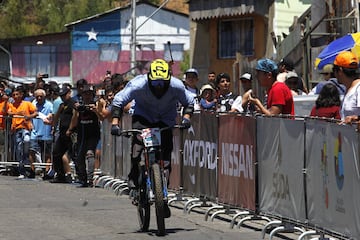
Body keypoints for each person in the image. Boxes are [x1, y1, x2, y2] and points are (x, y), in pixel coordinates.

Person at [110, 59, 194, 218]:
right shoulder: (138, 84)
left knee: (167, 157)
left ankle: (163, 194)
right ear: (149, 78)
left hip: (165, 120)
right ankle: (134, 181)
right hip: (144, 118)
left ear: (169, 79)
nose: (159, 87)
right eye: (155, 83)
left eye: (163, 83)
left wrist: (187, 118)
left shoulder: (176, 85)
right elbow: (119, 101)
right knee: (137, 149)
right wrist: (115, 123)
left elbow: (189, 101)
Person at [67, 84, 100, 187]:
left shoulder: (96, 104)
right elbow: (75, 117)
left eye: (89, 94)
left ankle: (90, 178)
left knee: (90, 154)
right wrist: (70, 129)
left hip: (93, 133)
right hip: (82, 133)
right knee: (80, 157)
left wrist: (95, 110)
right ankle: (83, 178)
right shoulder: (79, 105)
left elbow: (101, 117)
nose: (87, 96)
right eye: (85, 94)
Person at [8, 86, 38, 178]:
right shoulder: (11, 105)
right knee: (18, 149)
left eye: (17, 94)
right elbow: (9, 112)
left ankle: (26, 159)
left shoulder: (27, 103)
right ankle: (22, 171)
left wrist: (29, 116)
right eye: (13, 95)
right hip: (16, 129)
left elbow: (35, 112)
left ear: (21, 95)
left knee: (26, 140)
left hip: (25, 128)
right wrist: (19, 113)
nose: (15, 96)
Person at [50, 85, 75, 183]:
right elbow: (56, 117)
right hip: (62, 133)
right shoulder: (62, 104)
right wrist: (54, 127)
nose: (63, 97)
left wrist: (71, 129)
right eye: (61, 96)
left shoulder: (73, 103)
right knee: (56, 153)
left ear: (69, 93)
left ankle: (80, 176)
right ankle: (60, 175)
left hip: (71, 133)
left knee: (74, 155)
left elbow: (75, 117)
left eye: (65, 95)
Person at [29, 88, 53, 178]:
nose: (39, 98)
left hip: (46, 132)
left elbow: (52, 114)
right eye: (37, 96)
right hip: (35, 132)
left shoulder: (49, 105)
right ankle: (32, 170)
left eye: (41, 96)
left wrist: (49, 116)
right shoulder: (33, 104)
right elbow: (29, 114)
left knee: (46, 153)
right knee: (32, 151)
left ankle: (46, 171)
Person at [331, 51, 360, 123]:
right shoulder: (349, 90)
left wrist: (355, 118)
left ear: (340, 71)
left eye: (334, 71)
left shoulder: (358, 89)